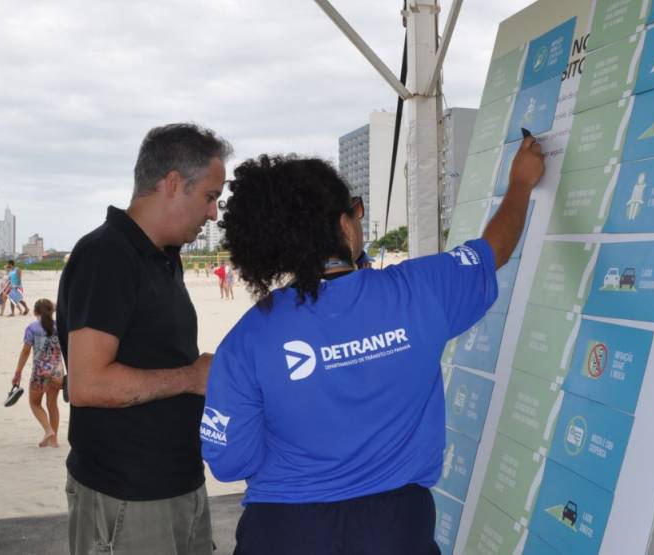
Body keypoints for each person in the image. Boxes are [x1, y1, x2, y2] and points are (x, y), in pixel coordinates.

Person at [201, 137, 545, 555]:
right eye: (357, 210)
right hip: (396, 529)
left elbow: (231, 461)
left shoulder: (247, 338)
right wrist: (522, 184)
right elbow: (496, 249)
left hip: (284, 531)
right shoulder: (422, 291)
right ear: (345, 225)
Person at [56, 123, 230, 555]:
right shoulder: (108, 254)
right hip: (127, 496)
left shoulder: (164, 257)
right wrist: (192, 377)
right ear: (173, 183)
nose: (213, 213)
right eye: (210, 197)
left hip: (179, 483)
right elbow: (88, 384)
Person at [12, 299, 65, 447]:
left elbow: (25, 352)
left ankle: (48, 430)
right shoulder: (60, 327)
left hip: (40, 372)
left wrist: (18, 372)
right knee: (52, 404)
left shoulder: (32, 328)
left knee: (34, 403)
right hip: (57, 372)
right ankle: (53, 440)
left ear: (35, 312)